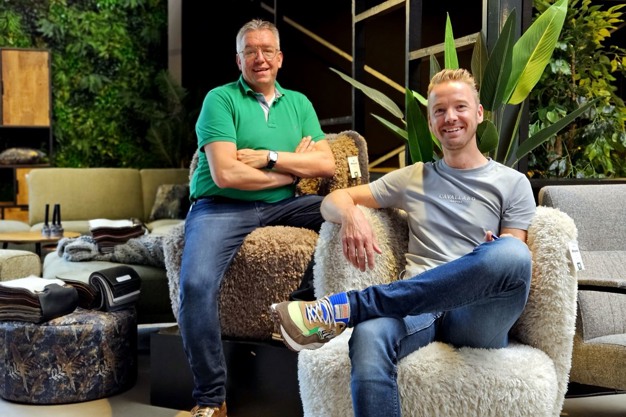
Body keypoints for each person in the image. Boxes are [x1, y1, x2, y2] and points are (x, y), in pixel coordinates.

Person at [271, 68, 536, 417]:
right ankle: (358, 310)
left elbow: (513, 253)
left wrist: (493, 249)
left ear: (479, 113)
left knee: (513, 253)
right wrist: (351, 215)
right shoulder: (415, 176)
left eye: (460, 107)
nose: (450, 117)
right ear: (430, 123)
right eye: (439, 110)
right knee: (368, 334)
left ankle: (350, 305)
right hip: (416, 307)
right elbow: (331, 201)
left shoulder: (513, 183)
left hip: (475, 313)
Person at [179, 19, 335, 417]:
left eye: (267, 51)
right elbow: (225, 174)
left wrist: (269, 157)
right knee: (195, 284)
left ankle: (297, 309)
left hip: (283, 205)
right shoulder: (221, 99)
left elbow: (326, 163)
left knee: (338, 212)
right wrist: (290, 172)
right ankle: (211, 399)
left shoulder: (299, 103)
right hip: (220, 206)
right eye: (250, 51)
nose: (259, 58)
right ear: (239, 60)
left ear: (280, 58)